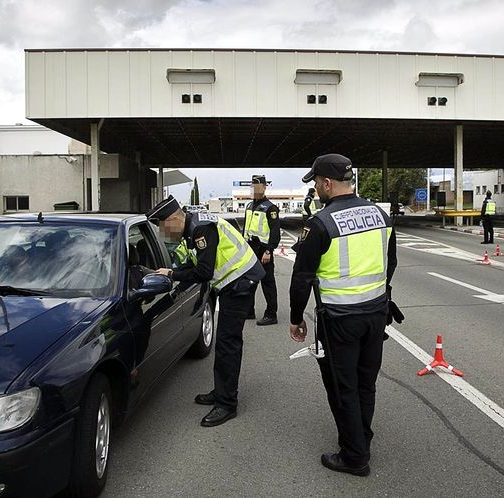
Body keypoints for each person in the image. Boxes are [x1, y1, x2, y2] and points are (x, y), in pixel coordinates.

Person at [288, 153, 397, 477]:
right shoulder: (380, 215)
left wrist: (296, 318)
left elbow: (302, 277)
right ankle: (362, 438)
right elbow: (390, 264)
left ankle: (354, 457)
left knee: (342, 387)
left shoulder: (320, 223)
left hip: (339, 320)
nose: (317, 189)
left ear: (327, 183)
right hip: (376, 314)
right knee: (366, 383)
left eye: (317, 183)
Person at [148, 195, 265, 427]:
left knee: (227, 344)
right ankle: (221, 392)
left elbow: (203, 271)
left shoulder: (201, 229)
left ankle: (227, 404)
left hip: (240, 282)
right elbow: (195, 263)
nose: (163, 234)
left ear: (173, 219)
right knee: (224, 344)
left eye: (163, 228)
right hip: (235, 282)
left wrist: (172, 275)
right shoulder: (192, 228)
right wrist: (171, 271)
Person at [243, 174, 281, 325]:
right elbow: (246, 229)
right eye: (253, 187)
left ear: (264, 188)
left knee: (268, 283)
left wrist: (268, 251)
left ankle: (271, 314)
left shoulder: (270, 208)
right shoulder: (249, 206)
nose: (255, 190)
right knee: (250, 281)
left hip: (263, 249)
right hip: (250, 249)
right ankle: (249, 311)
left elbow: (275, 232)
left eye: (258, 187)